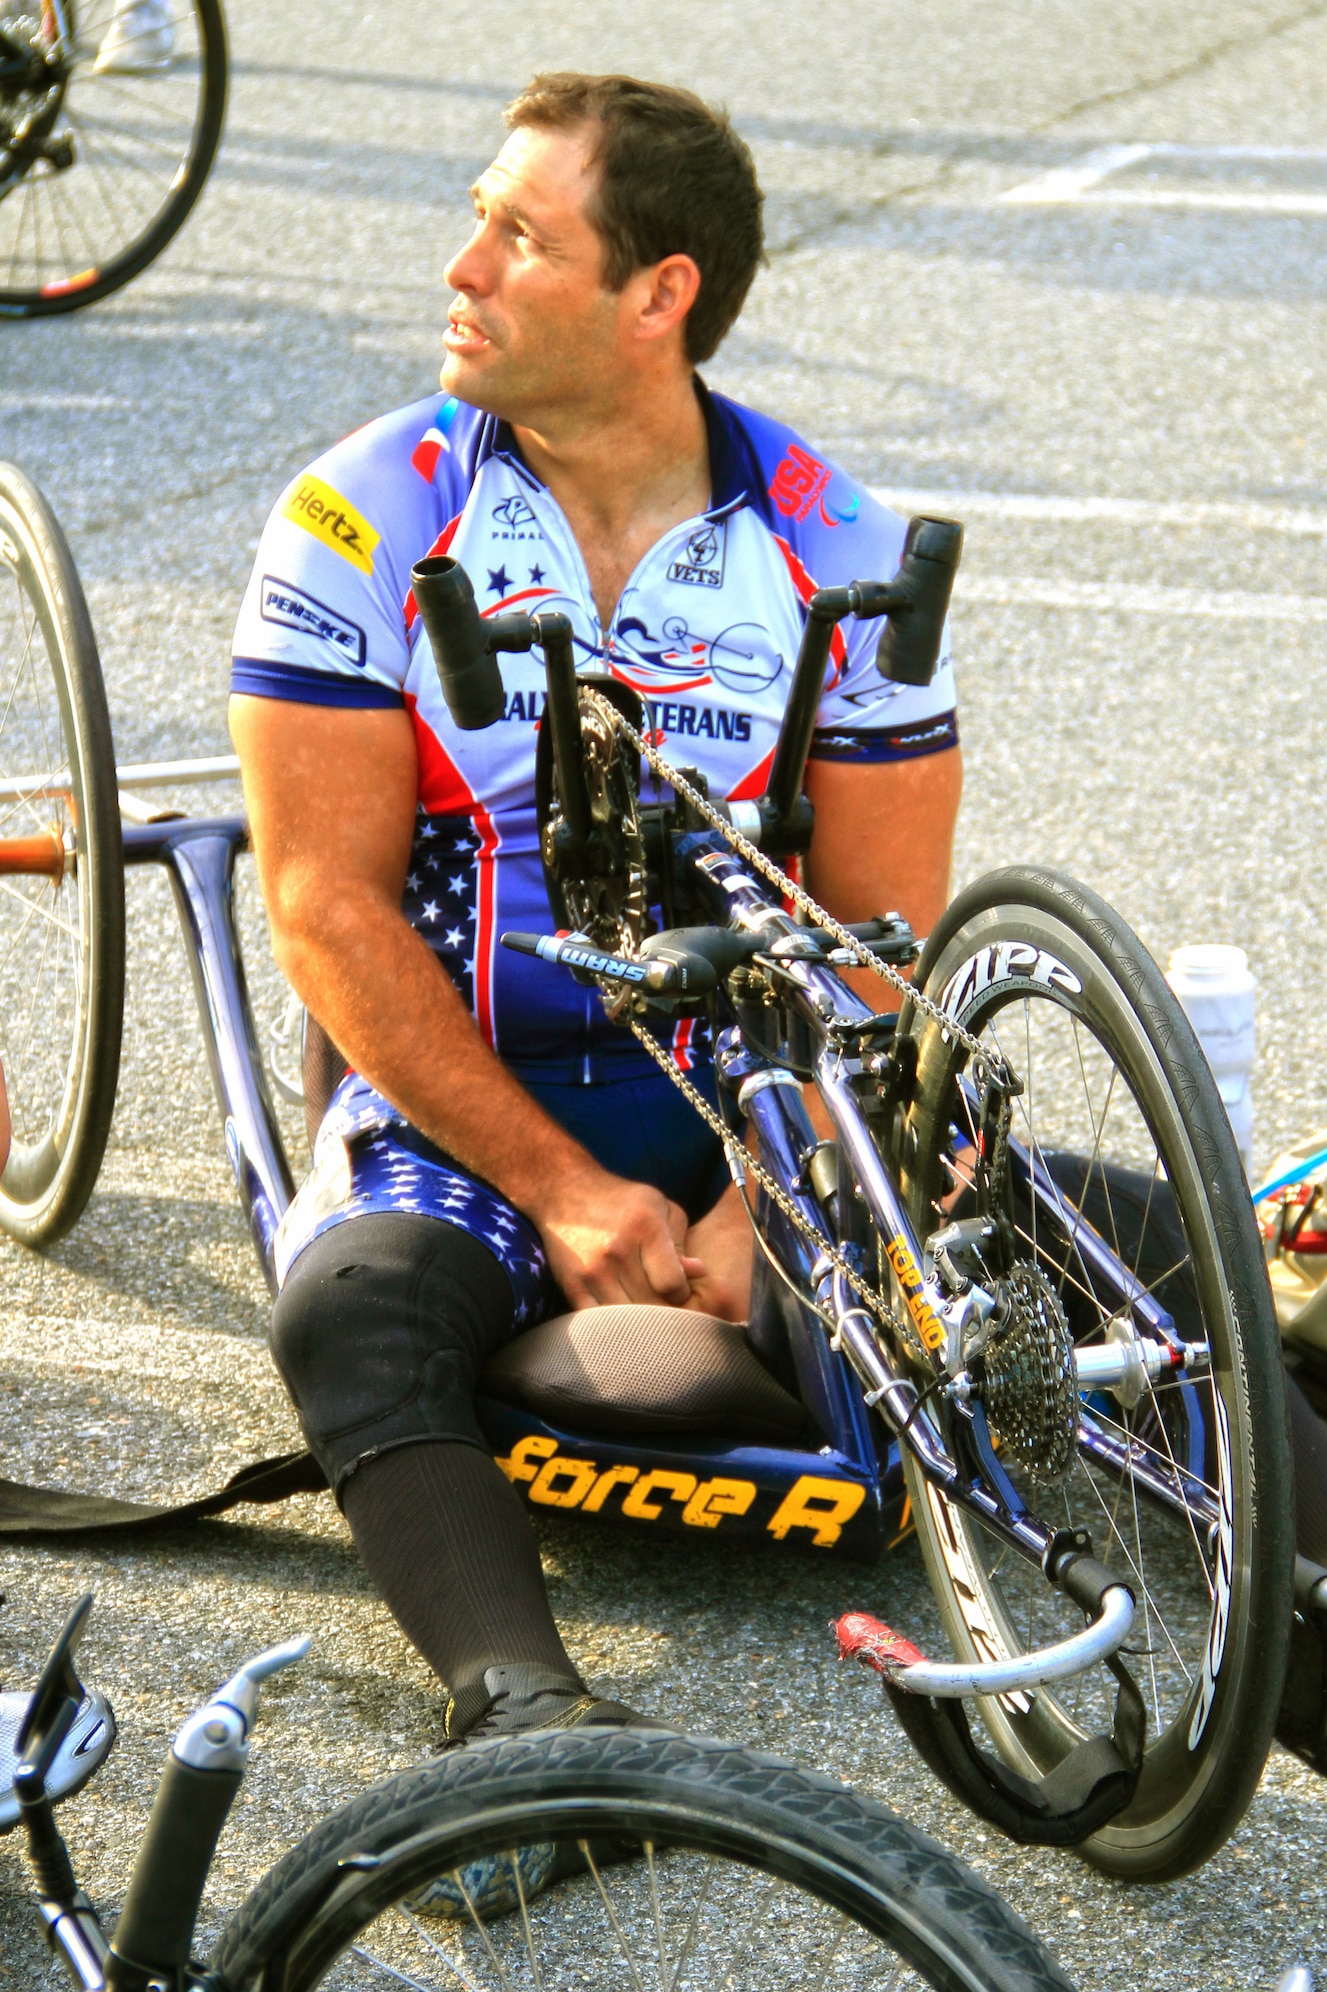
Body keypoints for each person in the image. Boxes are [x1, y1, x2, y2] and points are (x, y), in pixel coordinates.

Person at [228, 73, 963, 1747]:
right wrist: (560, 1188)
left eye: (518, 232)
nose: (461, 265)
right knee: (356, 1305)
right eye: (478, 217)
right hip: (471, 1103)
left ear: (660, 294)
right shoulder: (364, 515)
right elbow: (321, 905)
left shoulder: (832, 537)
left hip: (756, 1101)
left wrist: (766, 1200)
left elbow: (878, 934)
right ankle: (528, 1713)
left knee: (1102, 1228)